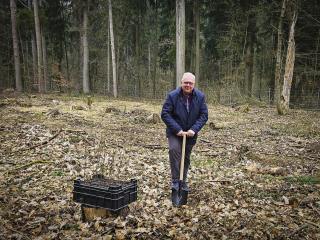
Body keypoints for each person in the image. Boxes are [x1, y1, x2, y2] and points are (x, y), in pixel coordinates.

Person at [161, 72, 208, 196]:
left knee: (186, 157)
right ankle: (176, 181)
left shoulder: (200, 96)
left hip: (191, 133)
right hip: (175, 132)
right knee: (174, 151)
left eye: (190, 83)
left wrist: (194, 129)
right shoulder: (172, 96)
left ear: (194, 84)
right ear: (181, 83)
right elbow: (165, 114)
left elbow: (204, 115)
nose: (188, 85)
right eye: (185, 82)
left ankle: (183, 181)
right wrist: (178, 130)